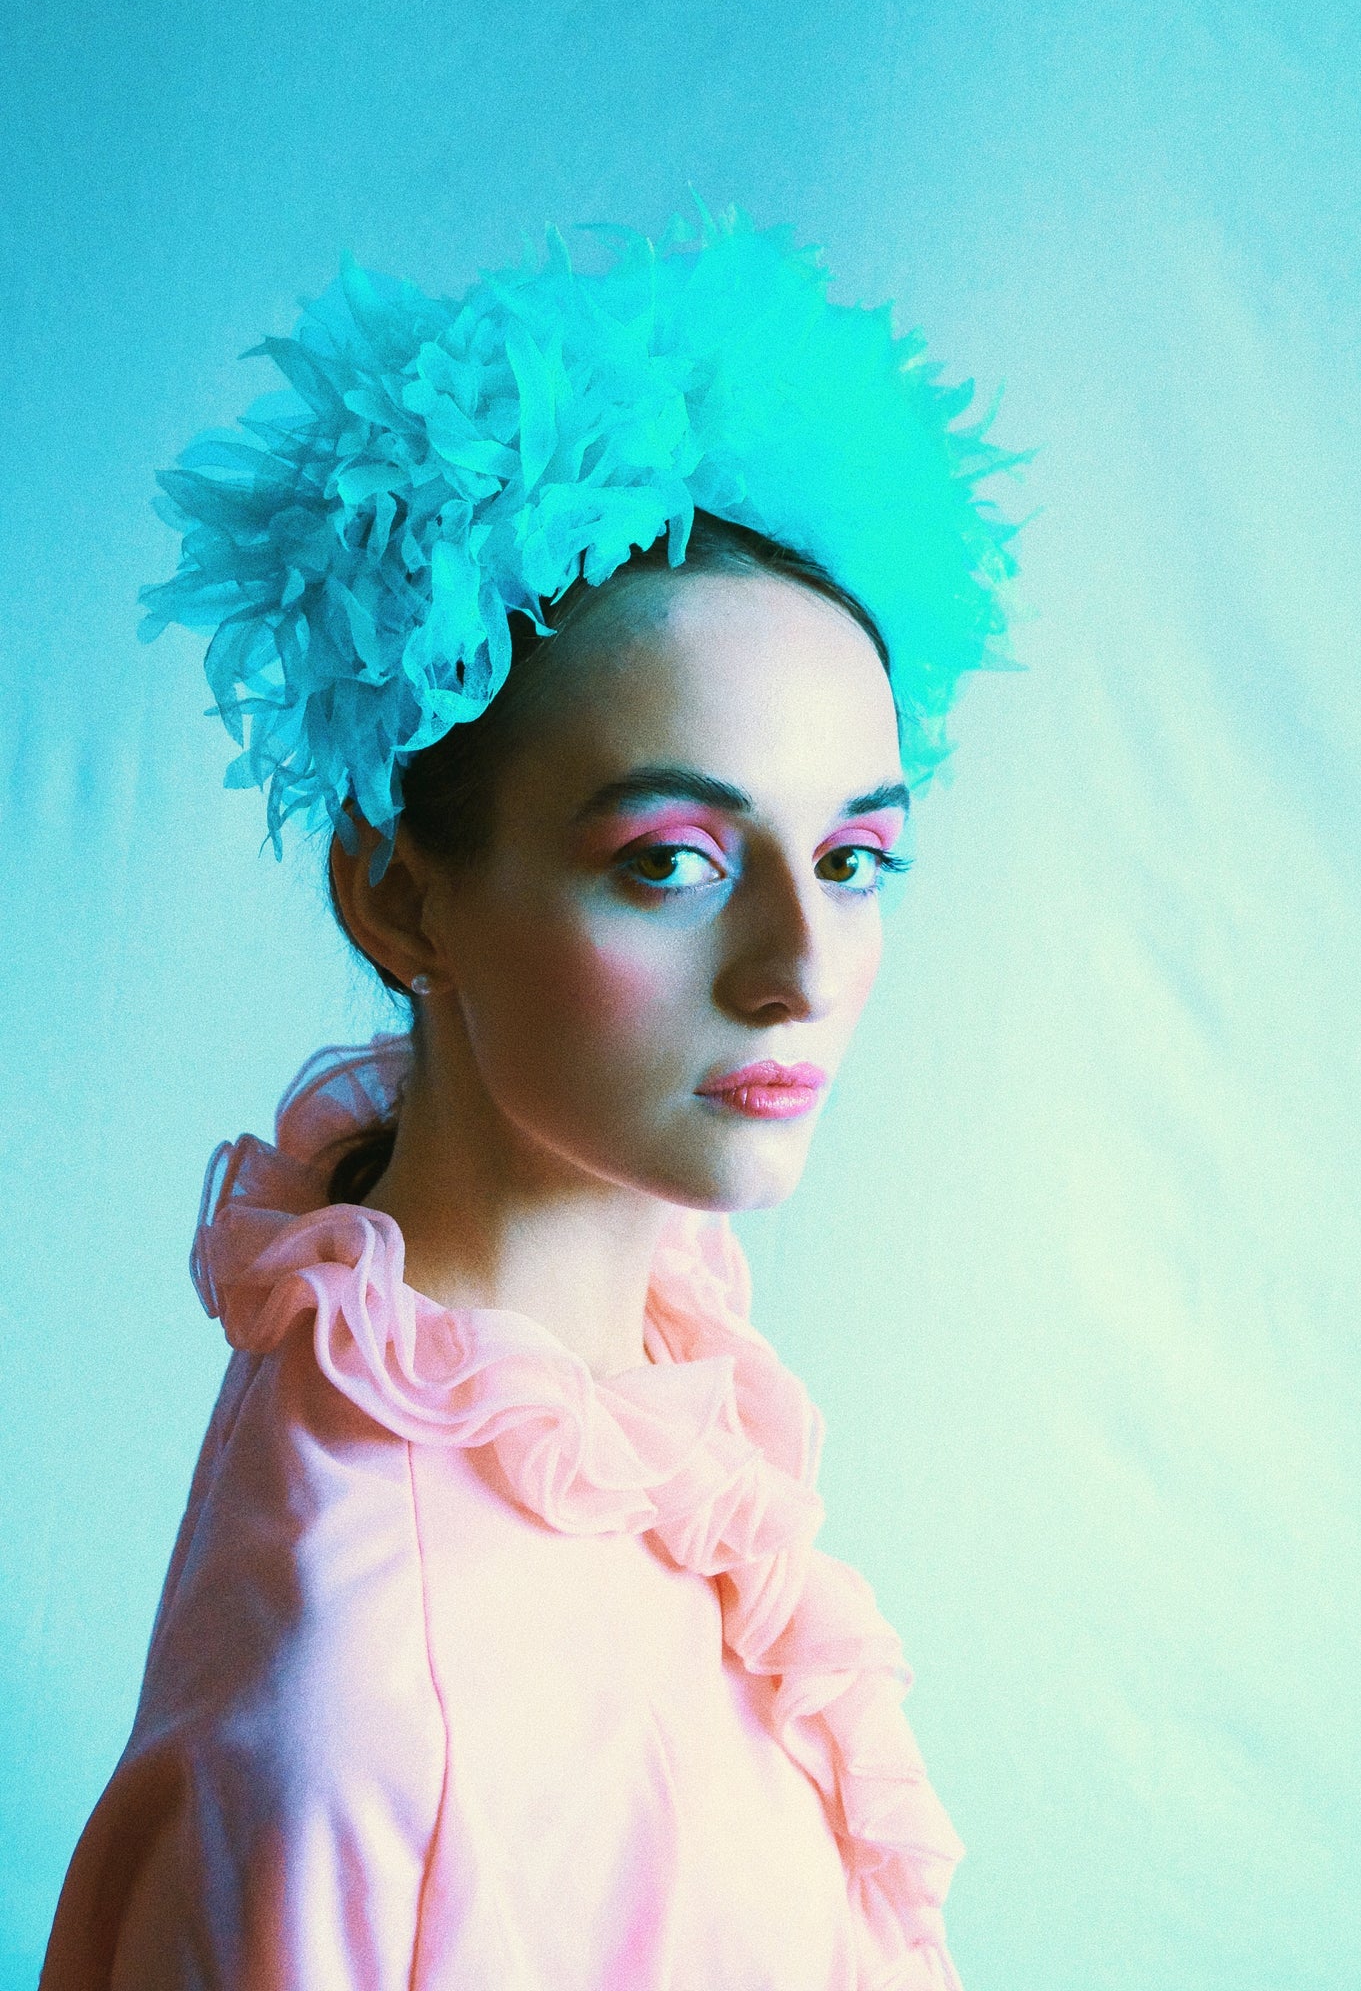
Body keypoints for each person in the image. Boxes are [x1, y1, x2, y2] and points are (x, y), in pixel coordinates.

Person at [41, 203, 1021, 1990]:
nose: (799, 967)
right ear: (396, 895)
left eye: (854, 859)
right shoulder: (377, 1716)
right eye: (671, 861)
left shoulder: (573, 1360)